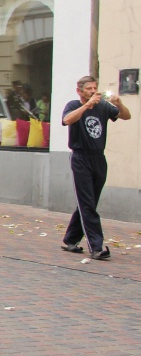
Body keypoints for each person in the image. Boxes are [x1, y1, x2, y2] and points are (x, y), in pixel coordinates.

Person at [61, 76, 131, 259]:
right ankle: (96, 247)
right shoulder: (73, 105)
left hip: (98, 158)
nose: (93, 91)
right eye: (89, 89)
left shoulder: (103, 106)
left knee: (89, 203)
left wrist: (119, 104)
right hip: (80, 157)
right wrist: (87, 106)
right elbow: (67, 120)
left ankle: (71, 239)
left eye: (95, 88)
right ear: (80, 91)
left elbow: (126, 116)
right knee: (87, 204)